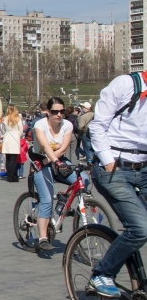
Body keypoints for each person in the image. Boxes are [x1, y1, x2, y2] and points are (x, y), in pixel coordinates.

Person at [87, 72, 147, 297]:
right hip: (114, 169)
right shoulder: (126, 85)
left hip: (143, 168)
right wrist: (108, 161)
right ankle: (102, 273)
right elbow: (97, 125)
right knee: (141, 228)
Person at [29, 97, 89, 251]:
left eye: (62, 111)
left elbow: (63, 148)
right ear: (48, 112)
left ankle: (63, 200)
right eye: (55, 112)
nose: (59, 114)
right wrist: (53, 161)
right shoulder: (39, 125)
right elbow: (45, 146)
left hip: (57, 160)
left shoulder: (67, 125)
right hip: (40, 161)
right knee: (47, 199)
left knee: (84, 179)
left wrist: (56, 161)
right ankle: (43, 237)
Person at [2, 105, 24, 182]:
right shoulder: (17, 118)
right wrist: (19, 135)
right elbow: (21, 129)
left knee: (8, 158)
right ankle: (12, 176)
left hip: (7, 136)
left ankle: (8, 175)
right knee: (13, 158)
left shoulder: (5, 118)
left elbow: (3, 129)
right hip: (14, 136)